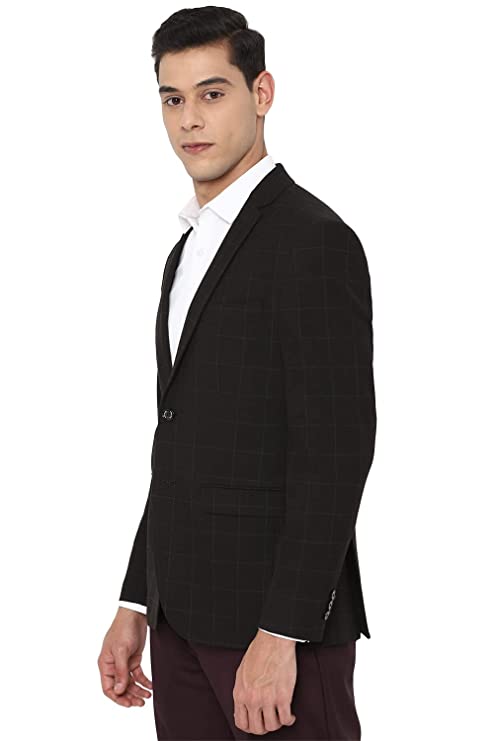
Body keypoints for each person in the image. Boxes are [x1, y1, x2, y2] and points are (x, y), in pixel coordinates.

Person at [97, 6, 376, 739]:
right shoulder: (187, 249)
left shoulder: (314, 241)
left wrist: (283, 632)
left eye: (213, 93)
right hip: (180, 619)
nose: (190, 119)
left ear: (262, 93)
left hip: (272, 633)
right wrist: (136, 600)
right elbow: (181, 440)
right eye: (172, 98)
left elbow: (337, 451)